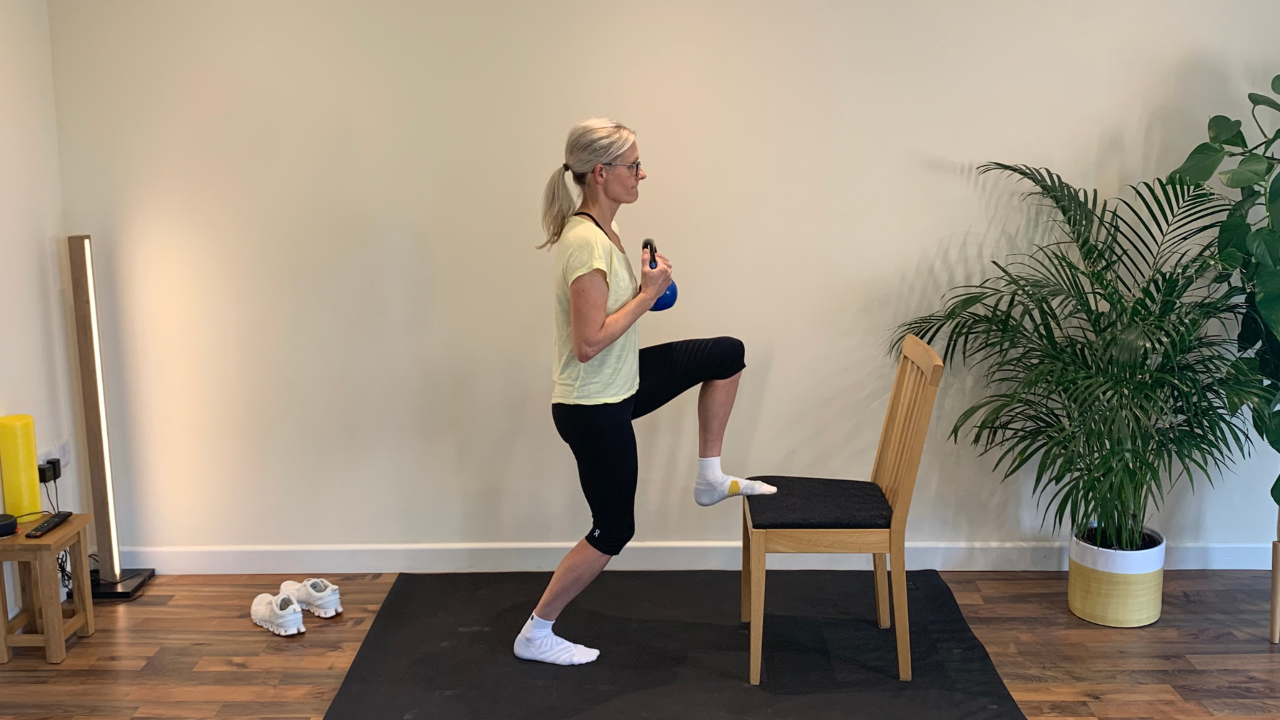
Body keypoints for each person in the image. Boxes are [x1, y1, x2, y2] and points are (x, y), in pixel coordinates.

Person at [513, 118, 776, 666]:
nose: (642, 174)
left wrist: (646, 289)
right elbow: (588, 343)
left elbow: (609, 318)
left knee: (726, 353)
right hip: (592, 406)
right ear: (601, 173)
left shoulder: (605, 231)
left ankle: (709, 477)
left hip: (620, 384)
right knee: (614, 530)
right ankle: (536, 632)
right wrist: (646, 295)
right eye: (633, 166)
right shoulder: (585, 242)